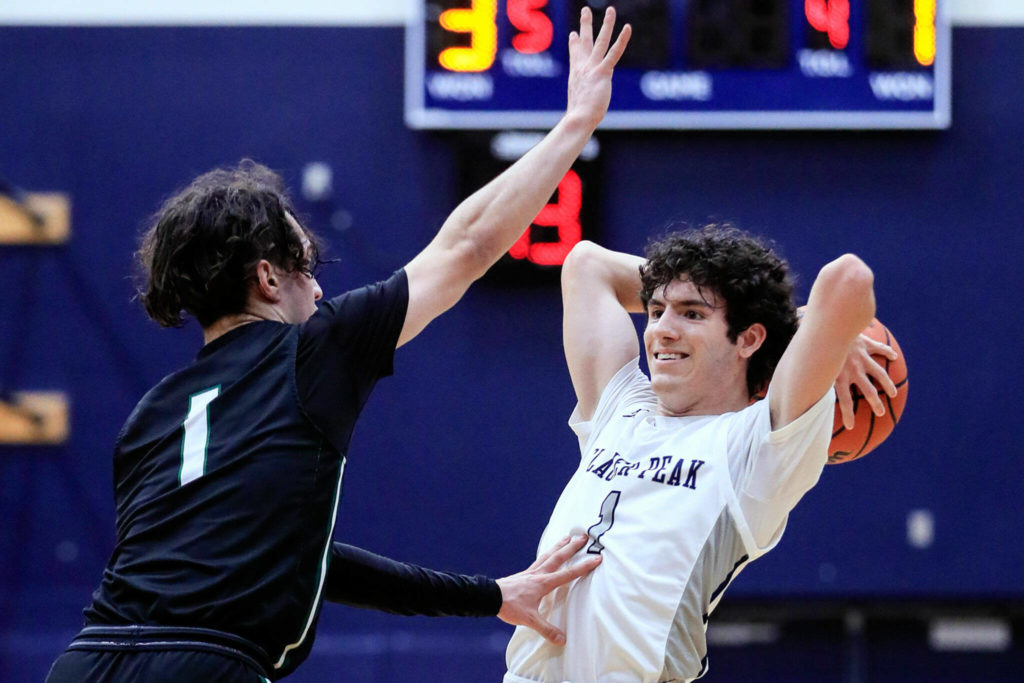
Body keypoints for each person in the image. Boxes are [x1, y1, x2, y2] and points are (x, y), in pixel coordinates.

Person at [45, 8, 632, 682]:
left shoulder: (149, 415)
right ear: (267, 277)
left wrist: (491, 595)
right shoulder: (312, 350)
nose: (320, 294)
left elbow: (303, 555)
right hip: (204, 665)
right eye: (307, 269)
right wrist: (574, 125)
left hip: (85, 661)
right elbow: (466, 247)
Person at [504, 225, 898, 682]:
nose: (662, 331)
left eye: (691, 314)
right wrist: (713, 298)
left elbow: (848, 280)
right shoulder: (620, 408)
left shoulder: (757, 446)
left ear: (748, 339)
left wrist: (821, 333)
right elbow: (586, 264)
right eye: (654, 310)